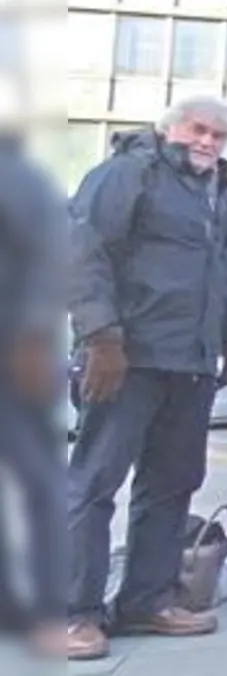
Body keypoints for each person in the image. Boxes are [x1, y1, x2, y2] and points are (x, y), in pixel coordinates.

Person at [64, 96, 227, 661]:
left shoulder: (223, 197)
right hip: (128, 355)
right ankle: (74, 611)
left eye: (220, 136)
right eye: (199, 130)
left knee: (173, 482)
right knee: (95, 482)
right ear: (170, 127)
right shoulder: (128, 174)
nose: (208, 142)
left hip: (191, 362)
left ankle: (146, 600)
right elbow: (82, 252)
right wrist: (101, 335)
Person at [0, 110, 69, 658]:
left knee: (39, 484)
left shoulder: (17, 177)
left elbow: (49, 260)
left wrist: (30, 337)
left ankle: (50, 609)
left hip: (12, 356)